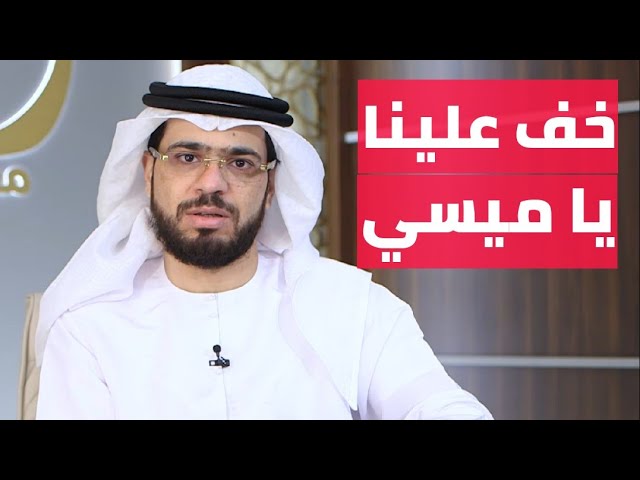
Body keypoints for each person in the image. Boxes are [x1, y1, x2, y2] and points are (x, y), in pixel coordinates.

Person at [34, 64, 493, 420]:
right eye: (187, 157)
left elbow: (434, 402)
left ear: (271, 186)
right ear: (149, 170)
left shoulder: (352, 306)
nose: (211, 184)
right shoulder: (89, 328)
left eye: (240, 164)